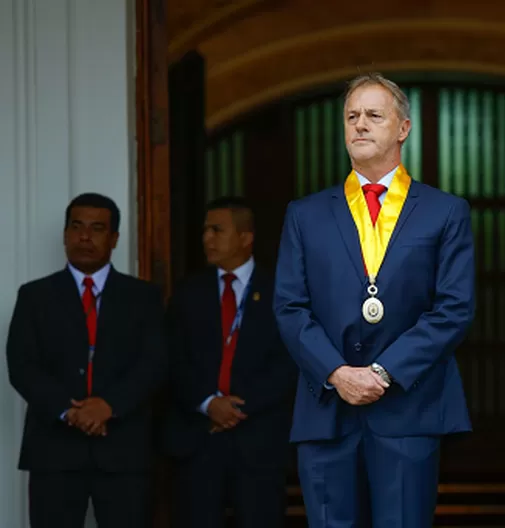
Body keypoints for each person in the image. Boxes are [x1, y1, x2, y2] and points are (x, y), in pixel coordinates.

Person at [273, 72, 475, 527]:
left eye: (373, 115)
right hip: (326, 407)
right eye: (352, 116)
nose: (360, 124)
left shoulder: (445, 211)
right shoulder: (305, 214)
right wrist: (337, 372)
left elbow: (453, 308)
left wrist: (384, 372)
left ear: (402, 128)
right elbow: (289, 307)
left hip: (409, 407)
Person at [5, 192, 167, 528]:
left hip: (123, 451)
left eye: (96, 229)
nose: (84, 237)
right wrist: (70, 411)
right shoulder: (34, 296)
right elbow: (21, 366)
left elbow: (154, 363)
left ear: (114, 238)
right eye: (76, 227)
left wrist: (109, 406)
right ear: (65, 235)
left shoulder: (144, 297)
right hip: (54, 451)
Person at [164, 196, 297, 527]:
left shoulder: (282, 291)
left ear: (245, 236)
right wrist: (209, 403)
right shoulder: (187, 293)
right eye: (205, 230)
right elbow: (171, 358)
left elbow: (290, 362)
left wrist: (238, 406)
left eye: (217, 230)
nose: (206, 238)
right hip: (198, 439)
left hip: (259, 441)